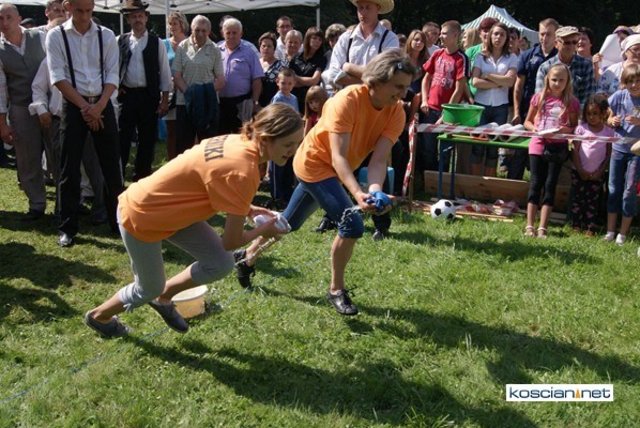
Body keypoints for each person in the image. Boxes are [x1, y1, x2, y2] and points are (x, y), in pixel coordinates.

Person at [83, 104, 303, 337]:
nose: (293, 150)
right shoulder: (244, 170)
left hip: (173, 212)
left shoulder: (238, 141)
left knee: (220, 262)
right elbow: (231, 241)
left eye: (297, 143)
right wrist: (264, 231)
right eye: (288, 144)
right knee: (147, 288)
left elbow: (210, 182)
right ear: (266, 138)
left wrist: (246, 208)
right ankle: (99, 316)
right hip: (142, 216)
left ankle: (164, 297)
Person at [235, 49, 416, 315]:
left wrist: (375, 190)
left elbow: (378, 161)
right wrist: (358, 194)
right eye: (398, 86)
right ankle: (336, 290)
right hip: (314, 163)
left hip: (336, 170)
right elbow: (338, 156)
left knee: (288, 223)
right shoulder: (347, 100)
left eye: (406, 87)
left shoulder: (396, 112)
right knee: (352, 225)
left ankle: (245, 258)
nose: (403, 93)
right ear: (377, 81)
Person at [46, 0, 125, 247]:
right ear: (68, 7)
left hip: (102, 103)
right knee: (69, 167)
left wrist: (99, 106)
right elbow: (58, 77)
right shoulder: (56, 36)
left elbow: (113, 74)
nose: (84, 16)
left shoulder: (106, 35)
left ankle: (119, 222)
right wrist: (85, 108)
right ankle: (67, 227)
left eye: (89, 11)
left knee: (112, 166)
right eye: (79, 11)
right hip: (74, 104)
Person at [0, 3, 48, 221]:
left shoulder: (41, 37)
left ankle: (66, 203)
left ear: (19, 18)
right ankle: (36, 204)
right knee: (27, 159)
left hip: (48, 104)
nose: (5, 23)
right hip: (20, 107)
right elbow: (1, 90)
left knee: (57, 155)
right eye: (0, 19)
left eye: (9, 17)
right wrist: (3, 123)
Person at [117, 0, 171, 182]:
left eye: (140, 16)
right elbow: (112, 68)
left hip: (149, 96)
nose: (137, 19)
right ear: (128, 20)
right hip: (127, 96)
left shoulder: (157, 43)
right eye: (134, 17)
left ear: (146, 18)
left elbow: (164, 71)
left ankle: (142, 177)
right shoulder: (120, 41)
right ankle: (118, 176)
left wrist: (165, 99)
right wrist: (117, 88)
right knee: (123, 137)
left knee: (147, 139)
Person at [523, 63, 579, 238]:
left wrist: (564, 130)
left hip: (557, 146)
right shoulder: (538, 98)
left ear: (567, 81)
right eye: (554, 79)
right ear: (548, 79)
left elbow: (574, 126)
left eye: (561, 80)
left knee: (550, 184)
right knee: (535, 183)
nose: (557, 83)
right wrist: (535, 129)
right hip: (538, 143)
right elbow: (527, 122)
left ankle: (543, 227)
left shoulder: (572, 102)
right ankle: (529, 225)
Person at [510, 18, 559, 180]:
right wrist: (516, 112)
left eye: (549, 34)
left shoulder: (560, 58)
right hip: (527, 112)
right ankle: (512, 187)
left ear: (556, 35)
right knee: (519, 153)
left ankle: (538, 188)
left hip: (551, 115)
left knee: (543, 156)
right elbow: (518, 86)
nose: (544, 38)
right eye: (542, 34)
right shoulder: (527, 55)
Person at [419, 20, 469, 172]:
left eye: (444, 33)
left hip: (449, 113)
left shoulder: (461, 58)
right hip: (430, 109)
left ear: (455, 35)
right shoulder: (437, 54)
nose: (440, 36)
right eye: (440, 33)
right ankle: (429, 179)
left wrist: (446, 112)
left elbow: (459, 89)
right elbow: (426, 79)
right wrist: (424, 100)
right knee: (428, 149)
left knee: (445, 151)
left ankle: (442, 180)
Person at [470, 22, 518, 177]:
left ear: (506, 38)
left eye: (502, 34)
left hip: (500, 107)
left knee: (493, 148)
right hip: (481, 106)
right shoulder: (480, 57)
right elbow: (475, 82)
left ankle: (488, 183)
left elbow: (510, 81)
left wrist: (487, 75)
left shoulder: (511, 58)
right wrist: (499, 82)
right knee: (478, 145)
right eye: (496, 34)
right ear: (490, 36)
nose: (498, 37)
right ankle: (475, 182)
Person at [173, 15, 224, 155]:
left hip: (208, 104)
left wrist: (202, 93)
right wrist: (190, 93)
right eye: (197, 30)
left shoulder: (214, 49)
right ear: (191, 29)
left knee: (208, 146)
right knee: (183, 146)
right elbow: (176, 75)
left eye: (204, 30)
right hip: (185, 102)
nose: (200, 33)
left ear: (209, 31)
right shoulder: (182, 47)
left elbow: (220, 80)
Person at [324, 0, 398, 91]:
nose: (363, 12)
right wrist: (371, 81)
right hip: (348, 97)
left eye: (368, 8)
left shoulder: (389, 38)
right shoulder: (346, 38)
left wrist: (349, 67)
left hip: (375, 99)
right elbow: (333, 74)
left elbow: (386, 74)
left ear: (378, 8)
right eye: (360, 8)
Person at [603, 63, 640, 245]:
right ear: (625, 82)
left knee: (629, 190)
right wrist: (611, 120)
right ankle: (610, 231)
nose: (634, 85)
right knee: (613, 188)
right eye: (630, 81)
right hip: (618, 148)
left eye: (638, 81)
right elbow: (607, 115)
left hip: (637, 152)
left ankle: (623, 233)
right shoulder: (619, 96)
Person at [570, 94, 613, 235]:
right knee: (577, 198)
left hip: (597, 174)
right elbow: (575, 151)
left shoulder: (608, 132)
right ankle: (576, 224)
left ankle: (590, 227)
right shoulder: (581, 129)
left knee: (593, 201)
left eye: (595, 113)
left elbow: (608, 154)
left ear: (603, 113)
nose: (591, 117)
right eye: (588, 114)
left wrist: (600, 172)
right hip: (578, 172)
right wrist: (580, 169)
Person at [217, 17, 263, 135]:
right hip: (219, 103)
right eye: (228, 33)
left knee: (241, 137)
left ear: (241, 34)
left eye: (234, 33)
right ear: (223, 33)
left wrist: (255, 101)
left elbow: (257, 79)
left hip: (241, 104)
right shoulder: (216, 50)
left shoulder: (249, 52)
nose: (231, 36)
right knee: (221, 138)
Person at [535, 26, 596, 108]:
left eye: (574, 42)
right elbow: (540, 97)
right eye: (567, 42)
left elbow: (588, 98)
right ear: (556, 44)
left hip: (577, 113)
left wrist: (572, 112)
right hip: (549, 112)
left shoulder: (586, 66)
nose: (571, 46)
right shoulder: (545, 68)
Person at [268, 68, 299, 208]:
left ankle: (287, 193)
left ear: (293, 84)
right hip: (279, 136)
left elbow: (296, 116)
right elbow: (274, 117)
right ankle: (277, 196)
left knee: (287, 167)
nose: (286, 86)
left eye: (289, 83)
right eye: (283, 83)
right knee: (276, 168)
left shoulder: (294, 99)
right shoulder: (278, 98)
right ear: (277, 82)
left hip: (290, 137)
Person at [162, 11, 188, 160]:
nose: (172, 27)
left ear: (182, 24)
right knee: (171, 131)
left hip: (186, 89)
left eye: (175, 23)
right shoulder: (163, 44)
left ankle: (187, 162)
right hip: (170, 91)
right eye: (170, 24)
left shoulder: (190, 43)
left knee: (187, 130)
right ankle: (172, 161)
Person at [289, 26, 326, 112]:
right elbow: (290, 81)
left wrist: (296, 77)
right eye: (314, 38)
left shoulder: (321, 59)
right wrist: (305, 82)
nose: (317, 41)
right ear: (308, 38)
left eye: (320, 40)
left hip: (310, 103)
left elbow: (314, 80)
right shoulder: (296, 57)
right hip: (293, 100)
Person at [465, 17, 498, 100]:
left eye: (491, 31)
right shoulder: (470, 52)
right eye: (485, 31)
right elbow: (463, 80)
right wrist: (469, 98)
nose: (488, 34)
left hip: (494, 99)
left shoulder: (500, 53)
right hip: (472, 98)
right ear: (480, 33)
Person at [257, 32, 283, 108]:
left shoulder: (281, 65)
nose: (266, 48)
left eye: (269, 46)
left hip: (273, 105)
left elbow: (282, 87)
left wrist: (272, 105)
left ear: (274, 48)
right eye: (263, 46)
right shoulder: (255, 63)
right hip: (255, 105)